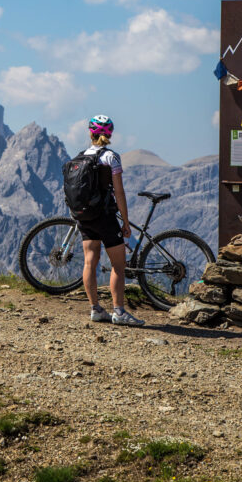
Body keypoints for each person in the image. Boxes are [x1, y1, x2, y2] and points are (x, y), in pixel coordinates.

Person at [77, 115, 144, 326]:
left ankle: (95, 309)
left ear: (90, 133)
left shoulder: (80, 156)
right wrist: (125, 221)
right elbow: (119, 192)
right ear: (110, 134)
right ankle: (119, 312)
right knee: (118, 265)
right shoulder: (111, 158)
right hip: (105, 216)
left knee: (90, 261)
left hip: (85, 216)